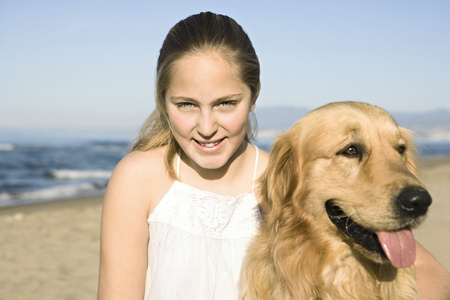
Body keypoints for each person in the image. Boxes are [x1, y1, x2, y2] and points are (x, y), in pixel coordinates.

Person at [97, 11, 450, 300]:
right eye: (186, 105)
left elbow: (433, 276)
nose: (206, 127)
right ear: (163, 101)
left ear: (254, 97)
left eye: (226, 103)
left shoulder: (285, 178)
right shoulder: (137, 177)